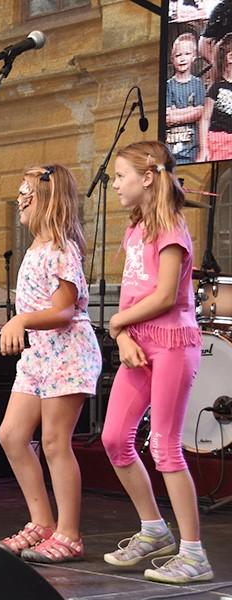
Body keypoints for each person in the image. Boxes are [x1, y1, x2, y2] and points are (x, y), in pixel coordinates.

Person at [101, 141, 213, 584]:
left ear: (147, 178)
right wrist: (123, 333)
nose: (115, 184)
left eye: (120, 176)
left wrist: (117, 324)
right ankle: (153, 529)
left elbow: (165, 296)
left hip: (171, 343)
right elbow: (132, 295)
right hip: (139, 342)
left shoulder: (172, 229)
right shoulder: (136, 228)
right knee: (114, 438)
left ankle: (194, 554)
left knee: (165, 446)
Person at [0, 165, 101, 562]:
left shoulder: (61, 249)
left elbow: (64, 311)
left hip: (66, 352)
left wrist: (21, 320)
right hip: (39, 355)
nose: (20, 199)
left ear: (48, 200)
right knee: (11, 435)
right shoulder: (36, 248)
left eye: (27, 193)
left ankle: (69, 534)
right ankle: (42, 523)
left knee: (55, 442)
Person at [166, 33, 205, 163]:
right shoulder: (168, 85)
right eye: (178, 55)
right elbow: (167, 115)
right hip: (170, 151)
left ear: (194, 57)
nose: (182, 59)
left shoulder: (197, 84)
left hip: (191, 150)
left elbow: (200, 111)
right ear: (172, 59)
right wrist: (190, 110)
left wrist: (176, 117)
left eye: (187, 54)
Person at [199, 37, 232, 161]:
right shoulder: (217, 87)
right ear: (230, 57)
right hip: (218, 143)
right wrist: (203, 149)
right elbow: (205, 119)